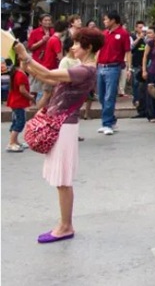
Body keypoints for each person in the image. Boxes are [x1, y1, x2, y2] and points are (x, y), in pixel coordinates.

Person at [13, 28, 104, 243]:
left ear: (88, 47)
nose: (72, 47)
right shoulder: (81, 68)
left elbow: (48, 75)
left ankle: (65, 226)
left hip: (63, 126)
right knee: (61, 180)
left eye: (77, 44)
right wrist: (27, 62)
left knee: (63, 180)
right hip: (62, 125)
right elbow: (47, 77)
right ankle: (65, 224)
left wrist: (26, 56)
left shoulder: (86, 71)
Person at [96, 11, 130, 136]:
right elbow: (98, 51)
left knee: (109, 96)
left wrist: (129, 68)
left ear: (113, 20)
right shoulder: (104, 34)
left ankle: (106, 123)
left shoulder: (123, 34)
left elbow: (127, 51)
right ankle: (111, 119)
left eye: (106, 19)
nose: (104, 22)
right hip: (100, 66)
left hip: (113, 67)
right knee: (101, 96)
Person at [6, 58, 35, 152]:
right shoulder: (21, 75)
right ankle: (11, 143)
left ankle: (15, 141)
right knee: (20, 122)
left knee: (16, 121)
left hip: (15, 101)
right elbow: (22, 90)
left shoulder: (17, 73)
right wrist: (30, 97)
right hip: (18, 102)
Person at [38, 20, 67, 110]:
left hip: (49, 68)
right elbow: (60, 57)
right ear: (64, 30)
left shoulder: (52, 39)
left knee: (50, 93)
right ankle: (38, 113)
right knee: (47, 93)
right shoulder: (56, 40)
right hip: (51, 69)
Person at [26, 14, 53, 101]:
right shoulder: (35, 32)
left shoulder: (53, 31)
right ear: (40, 22)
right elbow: (30, 47)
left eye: (49, 20)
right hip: (38, 60)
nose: (47, 22)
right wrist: (42, 41)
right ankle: (33, 101)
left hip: (50, 61)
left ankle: (44, 101)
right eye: (45, 20)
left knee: (47, 82)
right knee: (35, 81)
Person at [129, 21, 148, 118]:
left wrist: (144, 38)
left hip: (145, 65)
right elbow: (130, 49)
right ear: (136, 28)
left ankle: (143, 105)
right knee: (136, 85)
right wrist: (139, 38)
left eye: (143, 28)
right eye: (140, 27)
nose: (142, 30)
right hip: (136, 65)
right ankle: (136, 102)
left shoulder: (147, 38)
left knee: (144, 87)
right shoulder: (132, 37)